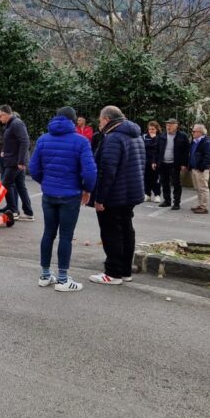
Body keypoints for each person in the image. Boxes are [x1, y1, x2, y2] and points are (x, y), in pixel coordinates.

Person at [29, 106, 97, 292]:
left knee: (48, 233)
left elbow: (33, 168)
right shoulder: (81, 141)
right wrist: (87, 189)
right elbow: (90, 171)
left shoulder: (43, 139)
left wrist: (46, 182)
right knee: (66, 236)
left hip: (49, 194)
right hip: (71, 195)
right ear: (74, 121)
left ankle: (44, 275)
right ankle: (63, 279)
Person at [89, 105, 145, 285]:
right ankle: (125, 271)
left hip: (114, 195)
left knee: (111, 232)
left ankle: (113, 273)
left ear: (106, 119)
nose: (99, 124)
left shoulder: (113, 138)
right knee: (127, 231)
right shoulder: (135, 135)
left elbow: (107, 171)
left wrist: (100, 198)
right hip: (131, 193)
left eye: (100, 120)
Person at [0, 104, 34, 221]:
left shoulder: (16, 123)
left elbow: (24, 141)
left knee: (6, 184)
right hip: (13, 159)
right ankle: (28, 212)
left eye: (0, 116)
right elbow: (12, 141)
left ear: (5, 114)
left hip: (15, 161)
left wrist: (21, 160)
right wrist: (4, 150)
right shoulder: (11, 124)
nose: (0, 119)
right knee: (20, 186)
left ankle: (13, 210)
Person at [154, 117, 189, 210]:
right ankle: (167, 200)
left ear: (176, 126)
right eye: (167, 125)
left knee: (176, 183)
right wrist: (154, 161)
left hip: (175, 164)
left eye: (170, 125)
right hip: (163, 163)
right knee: (164, 183)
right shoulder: (162, 136)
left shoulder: (183, 136)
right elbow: (156, 150)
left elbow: (186, 152)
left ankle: (176, 203)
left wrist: (184, 164)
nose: (168, 127)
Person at [188, 123, 210, 213]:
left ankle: (203, 207)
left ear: (199, 132)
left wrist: (202, 167)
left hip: (200, 169)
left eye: (194, 131)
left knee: (203, 188)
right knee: (198, 188)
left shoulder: (207, 142)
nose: (192, 133)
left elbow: (209, 157)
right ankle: (200, 205)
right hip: (194, 168)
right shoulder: (195, 141)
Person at [142, 120, 161, 202]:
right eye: (150, 129)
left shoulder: (160, 137)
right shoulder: (144, 136)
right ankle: (147, 194)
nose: (151, 131)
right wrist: (152, 143)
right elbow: (144, 146)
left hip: (155, 161)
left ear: (156, 129)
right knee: (146, 178)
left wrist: (154, 139)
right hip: (145, 161)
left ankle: (157, 195)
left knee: (155, 179)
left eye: (153, 129)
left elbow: (157, 148)